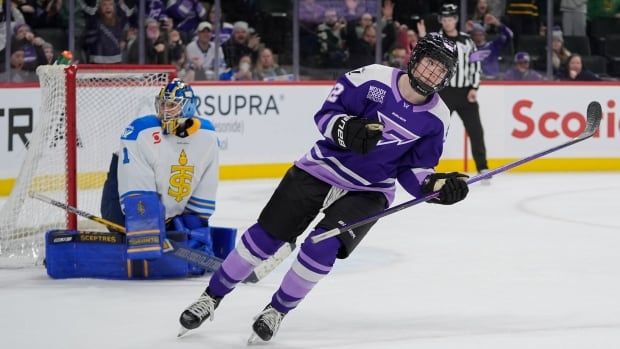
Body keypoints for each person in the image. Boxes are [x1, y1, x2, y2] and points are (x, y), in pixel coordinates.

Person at [177, 33, 470, 343]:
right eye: (429, 63)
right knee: (265, 239)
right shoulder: (372, 79)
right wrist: (346, 130)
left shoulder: (437, 119)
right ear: (414, 58)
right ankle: (211, 297)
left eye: (441, 69)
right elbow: (326, 116)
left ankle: (276, 311)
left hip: (371, 191)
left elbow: (414, 170)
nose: (432, 73)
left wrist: (433, 186)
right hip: (319, 169)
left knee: (322, 247)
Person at [100, 78, 220, 269]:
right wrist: (145, 229)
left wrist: (195, 231)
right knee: (146, 250)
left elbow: (204, 188)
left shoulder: (207, 136)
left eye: (171, 104)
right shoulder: (142, 132)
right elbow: (136, 185)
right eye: (162, 104)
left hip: (167, 213)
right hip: (121, 205)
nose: (164, 110)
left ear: (188, 107)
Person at [422, 4, 491, 180]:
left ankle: (483, 168)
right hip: (443, 92)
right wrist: (423, 38)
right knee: (435, 130)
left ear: (456, 20)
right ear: (441, 21)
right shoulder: (436, 38)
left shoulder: (467, 41)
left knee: (476, 130)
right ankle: (424, 166)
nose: (447, 22)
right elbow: (426, 61)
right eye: (444, 19)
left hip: (466, 93)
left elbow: (475, 65)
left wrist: (474, 88)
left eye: (450, 19)